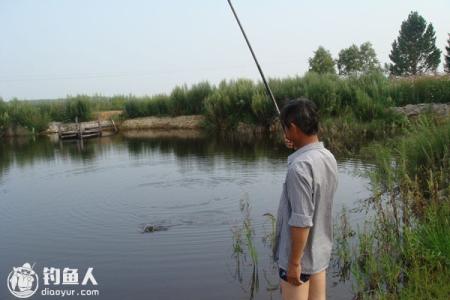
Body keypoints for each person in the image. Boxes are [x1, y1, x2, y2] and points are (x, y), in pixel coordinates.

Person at [273, 98, 338, 300]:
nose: (284, 133)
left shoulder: (299, 167)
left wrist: (293, 263)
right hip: (318, 254)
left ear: (293, 127)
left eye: (285, 128)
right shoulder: (328, 157)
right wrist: (298, 147)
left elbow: (301, 220)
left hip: (299, 260)